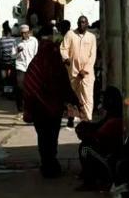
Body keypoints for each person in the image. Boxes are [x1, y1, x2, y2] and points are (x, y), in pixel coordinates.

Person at [22, 26, 81, 178]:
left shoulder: (35, 65)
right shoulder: (56, 65)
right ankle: (51, 163)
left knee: (43, 138)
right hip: (52, 109)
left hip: (39, 110)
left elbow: (28, 86)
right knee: (52, 137)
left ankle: (47, 164)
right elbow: (64, 85)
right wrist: (74, 100)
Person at [76, 85, 124, 190]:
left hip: (109, 158)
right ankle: (88, 175)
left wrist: (86, 134)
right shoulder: (111, 114)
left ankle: (90, 181)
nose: (103, 101)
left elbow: (99, 138)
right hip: (105, 151)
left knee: (85, 148)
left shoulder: (115, 120)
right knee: (85, 146)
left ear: (111, 101)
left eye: (105, 99)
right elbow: (98, 126)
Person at [61, 15, 97, 121]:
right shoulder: (70, 34)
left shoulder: (91, 37)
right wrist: (66, 58)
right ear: (77, 23)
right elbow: (63, 48)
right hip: (73, 71)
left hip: (87, 73)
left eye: (84, 22)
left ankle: (88, 119)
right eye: (80, 22)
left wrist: (85, 70)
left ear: (87, 24)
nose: (81, 24)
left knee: (88, 96)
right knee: (74, 96)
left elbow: (92, 55)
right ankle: (73, 118)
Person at [14, 23, 38, 115]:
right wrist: (17, 51)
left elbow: (36, 54)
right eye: (22, 33)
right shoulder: (16, 42)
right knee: (20, 87)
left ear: (29, 32)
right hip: (20, 66)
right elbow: (12, 55)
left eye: (26, 33)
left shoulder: (34, 41)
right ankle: (20, 109)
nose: (24, 35)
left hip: (31, 66)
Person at [0, 23, 18, 98]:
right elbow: (15, 51)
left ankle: (5, 91)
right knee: (10, 78)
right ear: (10, 32)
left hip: (4, 62)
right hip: (11, 62)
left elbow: (0, 52)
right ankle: (10, 92)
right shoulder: (13, 40)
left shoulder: (1, 40)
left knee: (4, 78)